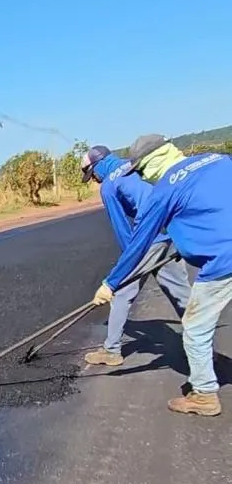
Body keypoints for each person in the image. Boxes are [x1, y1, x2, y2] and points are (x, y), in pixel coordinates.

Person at [93, 134, 232, 416]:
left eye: (142, 170)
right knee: (185, 300)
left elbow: (138, 242)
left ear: (153, 160)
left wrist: (111, 283)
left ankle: (204, 394)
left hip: (223, 261)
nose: (143, 177)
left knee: (193, 327)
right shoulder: (218, 160)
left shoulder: (164, 190)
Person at [81, 145, 191, 367]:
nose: (93, 180)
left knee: (121, 292)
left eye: (92, 175)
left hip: (149, 240)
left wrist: (123, 271)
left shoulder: (109, 186)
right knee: (182, 296)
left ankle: (111, 350)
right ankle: (200, 347)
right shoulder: (133, 166)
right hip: (169, 233)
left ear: (97, 166)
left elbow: (123, 231)